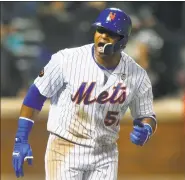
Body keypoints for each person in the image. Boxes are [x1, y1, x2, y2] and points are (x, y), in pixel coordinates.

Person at [12, 7, 157, 180]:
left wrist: (146, 128)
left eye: (110, 33)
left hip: (105, 152)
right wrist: (21, 138)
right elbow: (35, 97)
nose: (102, 36)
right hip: (65, 146)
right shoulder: (66, 59)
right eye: (100, 30)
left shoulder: (138, 75)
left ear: (123, 41)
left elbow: (146, 115)